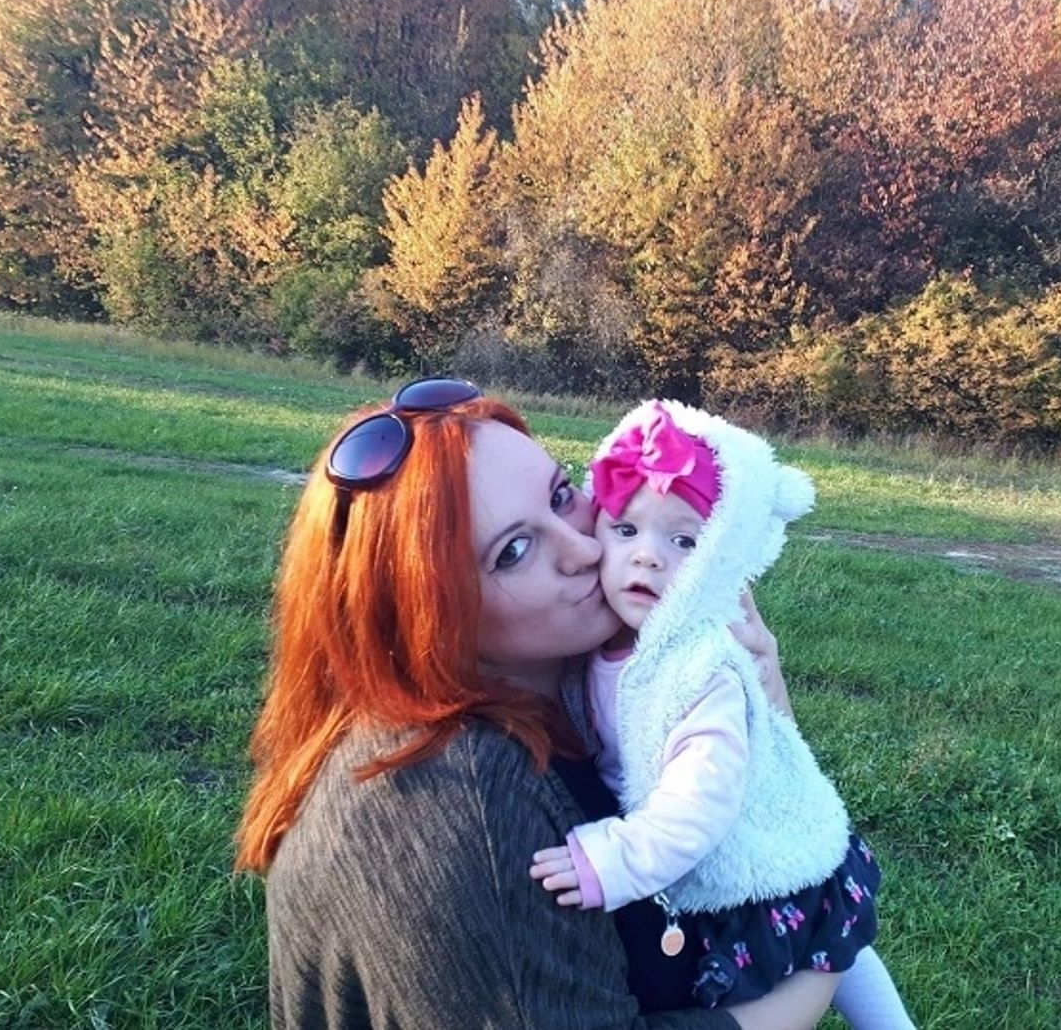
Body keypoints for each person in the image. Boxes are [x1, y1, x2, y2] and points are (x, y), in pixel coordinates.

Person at [234, 377, 838, 1029]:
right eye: (514, 551)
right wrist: (814, 978)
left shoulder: (601, 689)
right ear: (430, 622)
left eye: (561, 495)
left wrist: (767, 714)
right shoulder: (469, 801)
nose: (587, 549)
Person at [529, 401, 915, 1028]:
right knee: (836, 937)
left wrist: (617, 859)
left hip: (758, 850)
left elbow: (699, 802)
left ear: (721, 560)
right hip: (752, 835)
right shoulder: (598, 643)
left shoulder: (701, 671)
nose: (647, 556)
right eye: (625, 529)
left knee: (827, 941)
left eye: (684, 541)